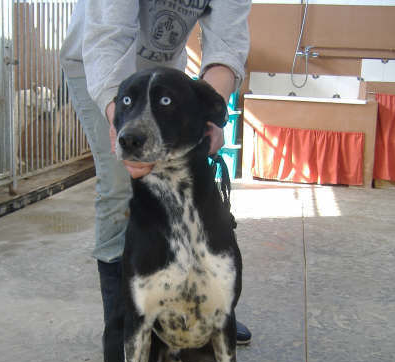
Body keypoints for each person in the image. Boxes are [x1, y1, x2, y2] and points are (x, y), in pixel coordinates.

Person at [60, 0, 252, 344]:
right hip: (100, 65)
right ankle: (125, 322)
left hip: (163, 76)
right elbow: (109, 35)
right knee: (123, 184)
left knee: (181, 182)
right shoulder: (105, 61)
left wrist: (209, 109)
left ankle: (197, 309)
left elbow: (226, 43)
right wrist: (119, 117)